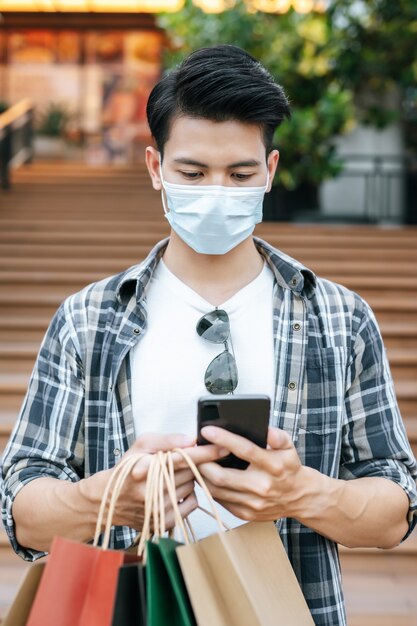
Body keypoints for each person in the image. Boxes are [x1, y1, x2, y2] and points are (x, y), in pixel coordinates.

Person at [1, 45, 417, 626]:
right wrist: (107, 498)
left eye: (240, 174)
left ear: (270, 172)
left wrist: (299, 494)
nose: (217, 191)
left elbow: (397, 508)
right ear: (156, 169)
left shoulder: (339, 319)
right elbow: (19, 508)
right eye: (192, 173)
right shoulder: (88, 319)